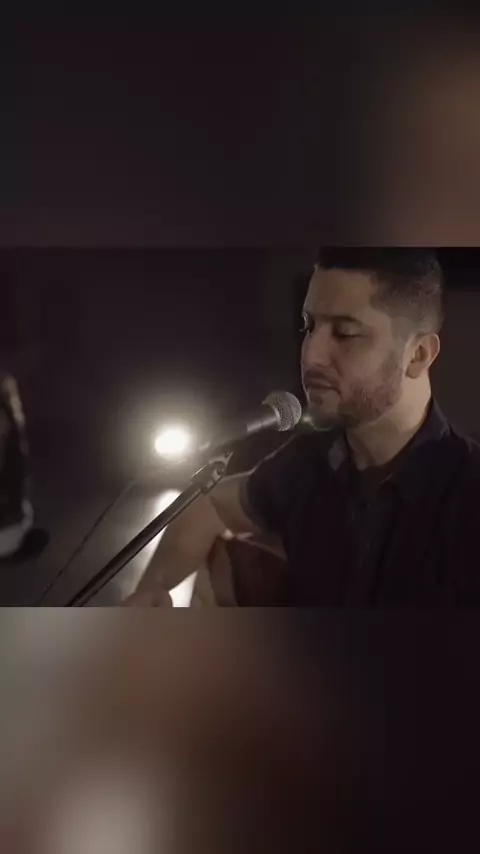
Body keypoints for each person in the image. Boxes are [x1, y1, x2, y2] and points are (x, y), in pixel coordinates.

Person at [126, 248, 480, 607]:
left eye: (345, 333)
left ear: (418, 354)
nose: (311, 354)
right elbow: (209, 506)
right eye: (309, 326)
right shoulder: (310, 462)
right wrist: (152, 590)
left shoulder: (467, 495)